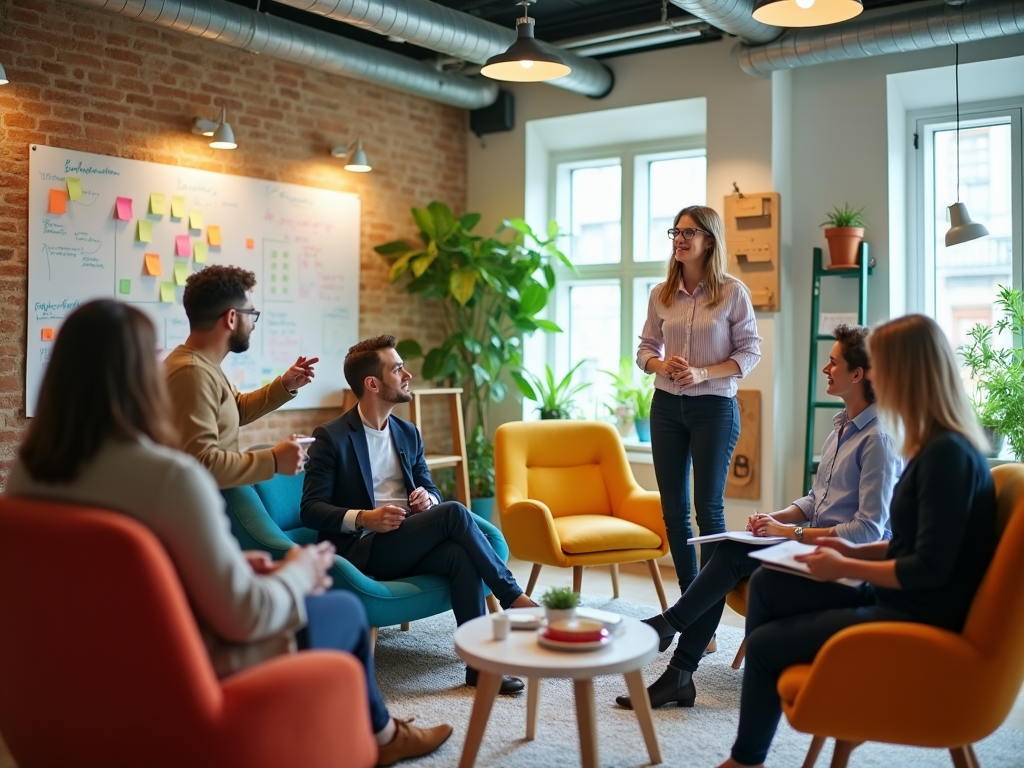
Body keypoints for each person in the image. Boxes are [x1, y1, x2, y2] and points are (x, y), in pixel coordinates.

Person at [6, 300, 452, 767]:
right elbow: (246, 616)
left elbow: (131, 577)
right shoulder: (173, 477)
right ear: (137, 378)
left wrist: (236, 566)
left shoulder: (27, 480)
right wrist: (297, 572)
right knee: (339, 610)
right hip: (174, 688)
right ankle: (380, 736)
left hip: (68, 685)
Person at [714, 314, 997, 768]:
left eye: (881, 366)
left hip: (914, 618)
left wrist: (848, 566)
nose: (875, 377)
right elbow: (908, 542)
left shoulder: (947, 455)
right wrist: (850, 550)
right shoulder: (935, 446)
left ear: (905, 372)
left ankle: (749, 754)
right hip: (898, 599)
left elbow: (928, 568)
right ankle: (768, 736)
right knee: (767, 584)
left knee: (766, 645)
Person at [616, 323, 901, 710]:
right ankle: (679, 671)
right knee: (728, 547)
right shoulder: (840, 428)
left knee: (730, 556)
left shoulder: (878, 440)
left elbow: (867, 531)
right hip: (809, 541)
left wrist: (789, 530)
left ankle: (672, 638)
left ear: (858, 374)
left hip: (842, 560)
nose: (825, 369)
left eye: (833, 363)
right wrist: (776, 517)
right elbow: (817, 499)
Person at [301, 335, 538, 695]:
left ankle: (479, 667)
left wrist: (427, 498)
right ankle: (513, 596)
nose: (407, 374)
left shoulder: (408, 433)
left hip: (408, 538)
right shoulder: (332, 437)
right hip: (364, 549)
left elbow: (432, 489)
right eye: (397, 368)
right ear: (373, 384)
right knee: (455, 513)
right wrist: (365, 517)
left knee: (460, 555)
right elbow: (311, 509)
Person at [637, 204, 762, 599]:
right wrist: (662, 364)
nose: (680, 239)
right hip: (666, 407)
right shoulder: (661, 294)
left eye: (689, 232)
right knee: (673, 511)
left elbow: (750, 352)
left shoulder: (732, 292)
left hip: (714, 408)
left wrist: (702, 372)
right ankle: (690, 600)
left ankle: (704, 612)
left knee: (708, 511)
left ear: (709, 240)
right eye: (675, 232)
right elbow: (644, 350)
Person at [165, 264, 318, 489]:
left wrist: (283, 386)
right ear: (232, 318)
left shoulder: (202, 366)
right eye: (251, 314)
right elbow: (201, 464)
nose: (253, 325)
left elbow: (233, 409)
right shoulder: (193, 373)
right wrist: (274, 460)